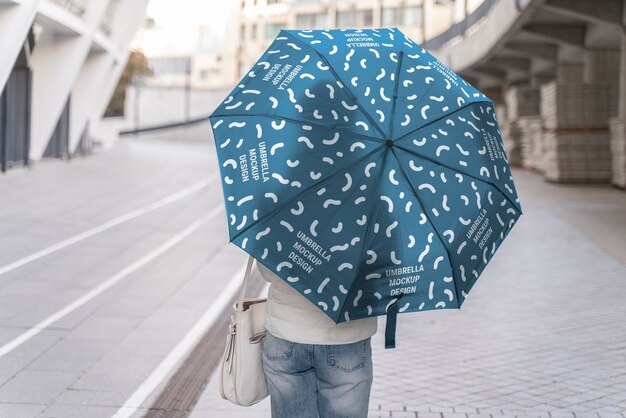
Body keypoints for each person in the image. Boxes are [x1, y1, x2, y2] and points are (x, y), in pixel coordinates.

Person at [256, 259, 378, 418]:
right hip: (347, 336)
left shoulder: (281, 231)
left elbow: (267, 269)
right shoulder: (369, 233)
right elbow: (379, 273)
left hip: (288, 329)